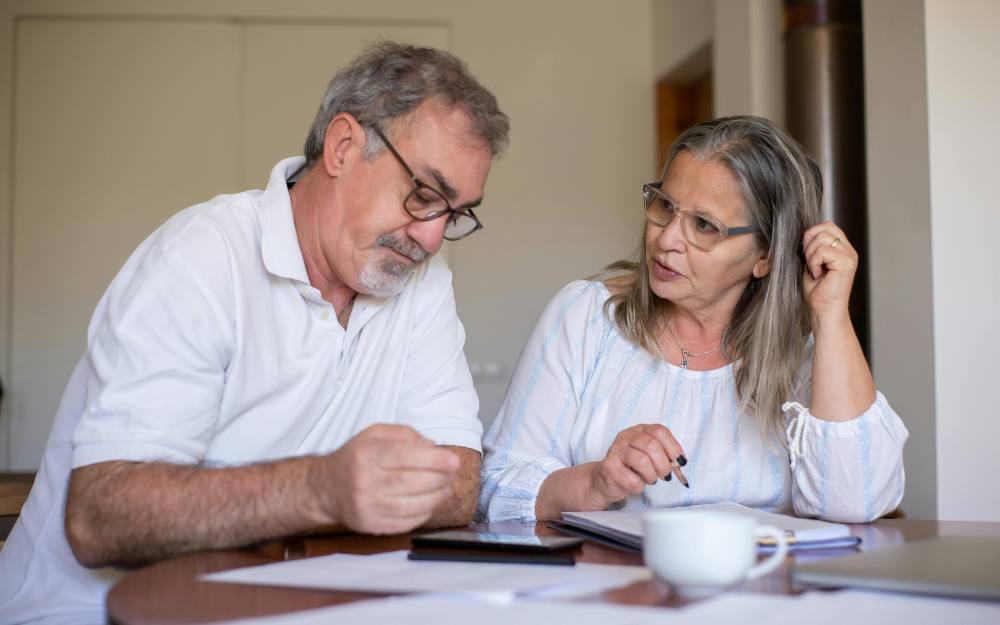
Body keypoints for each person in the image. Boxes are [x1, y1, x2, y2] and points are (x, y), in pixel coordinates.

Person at [0, 41, 509, 624]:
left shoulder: (422, 282)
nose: (432, 238)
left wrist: (326, 496)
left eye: (457, 212)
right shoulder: (201, 257)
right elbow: (101, 518)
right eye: (423, 195)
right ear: (343, 147)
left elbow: (456, 482)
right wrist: (320, 488)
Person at [477, 116, 907, 525]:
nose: (665, 239)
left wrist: (831, 316)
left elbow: (858, 501)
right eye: (665, 205)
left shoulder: (801, 359)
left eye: (704, 225)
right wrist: (596, 482)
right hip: (614, 592)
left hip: (762, 593)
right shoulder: (586, 317)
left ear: (766, 256)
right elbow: (496, 489)